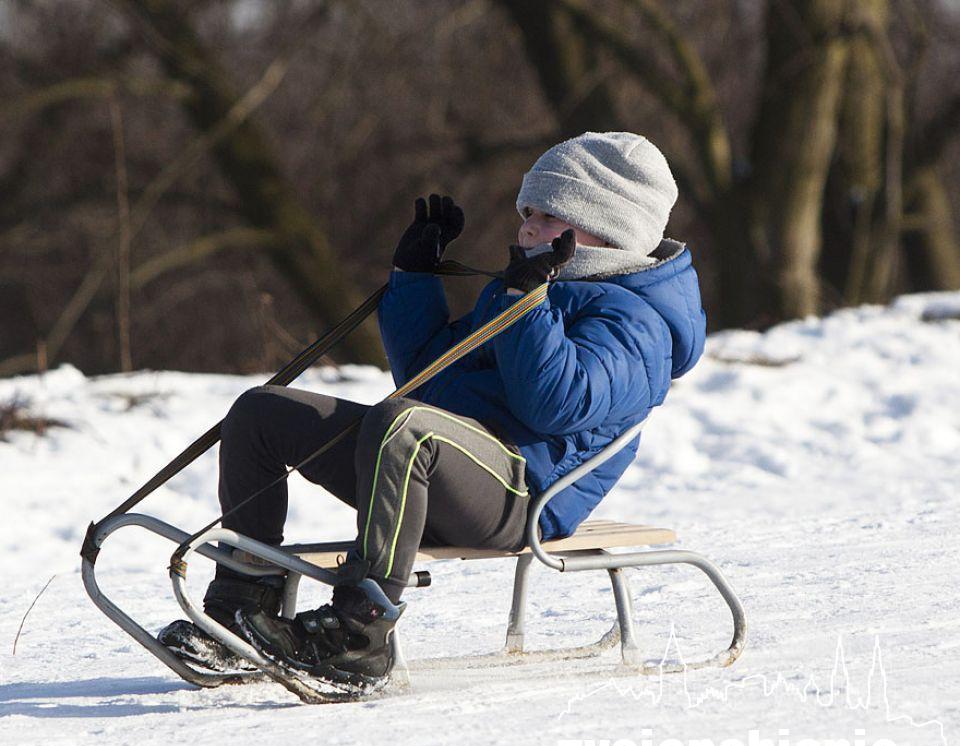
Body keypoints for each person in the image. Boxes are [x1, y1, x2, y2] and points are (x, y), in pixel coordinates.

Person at [160, 131, 707, 696]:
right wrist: (416, 277)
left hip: (518, 496)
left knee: (403, 427)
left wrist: (526, 302)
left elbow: (556, 402)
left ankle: (357, 635)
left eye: (551, 215)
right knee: (263, 413)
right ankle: (239, 606)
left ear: (608, 229)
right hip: (429, 464)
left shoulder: (637, 324)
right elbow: (429, 377)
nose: (528, 227)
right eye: (529, 211)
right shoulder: (525, 289)